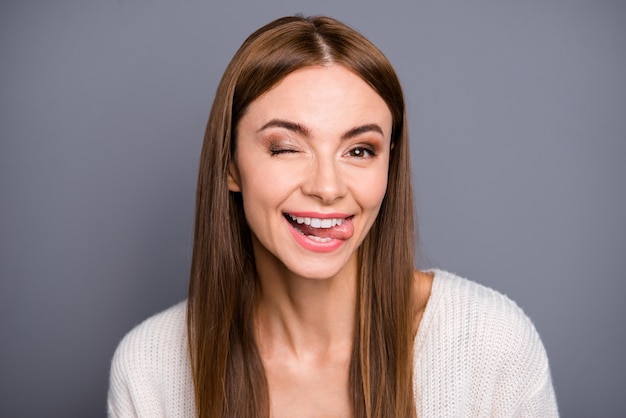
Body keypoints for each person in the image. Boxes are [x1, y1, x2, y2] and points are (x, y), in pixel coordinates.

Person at [107, 15, 558, 418]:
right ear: (230, 165)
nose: (327, 187)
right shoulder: (150, 367)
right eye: (285, 148)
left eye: (360, 150)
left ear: (389, 164)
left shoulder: (490, 343)